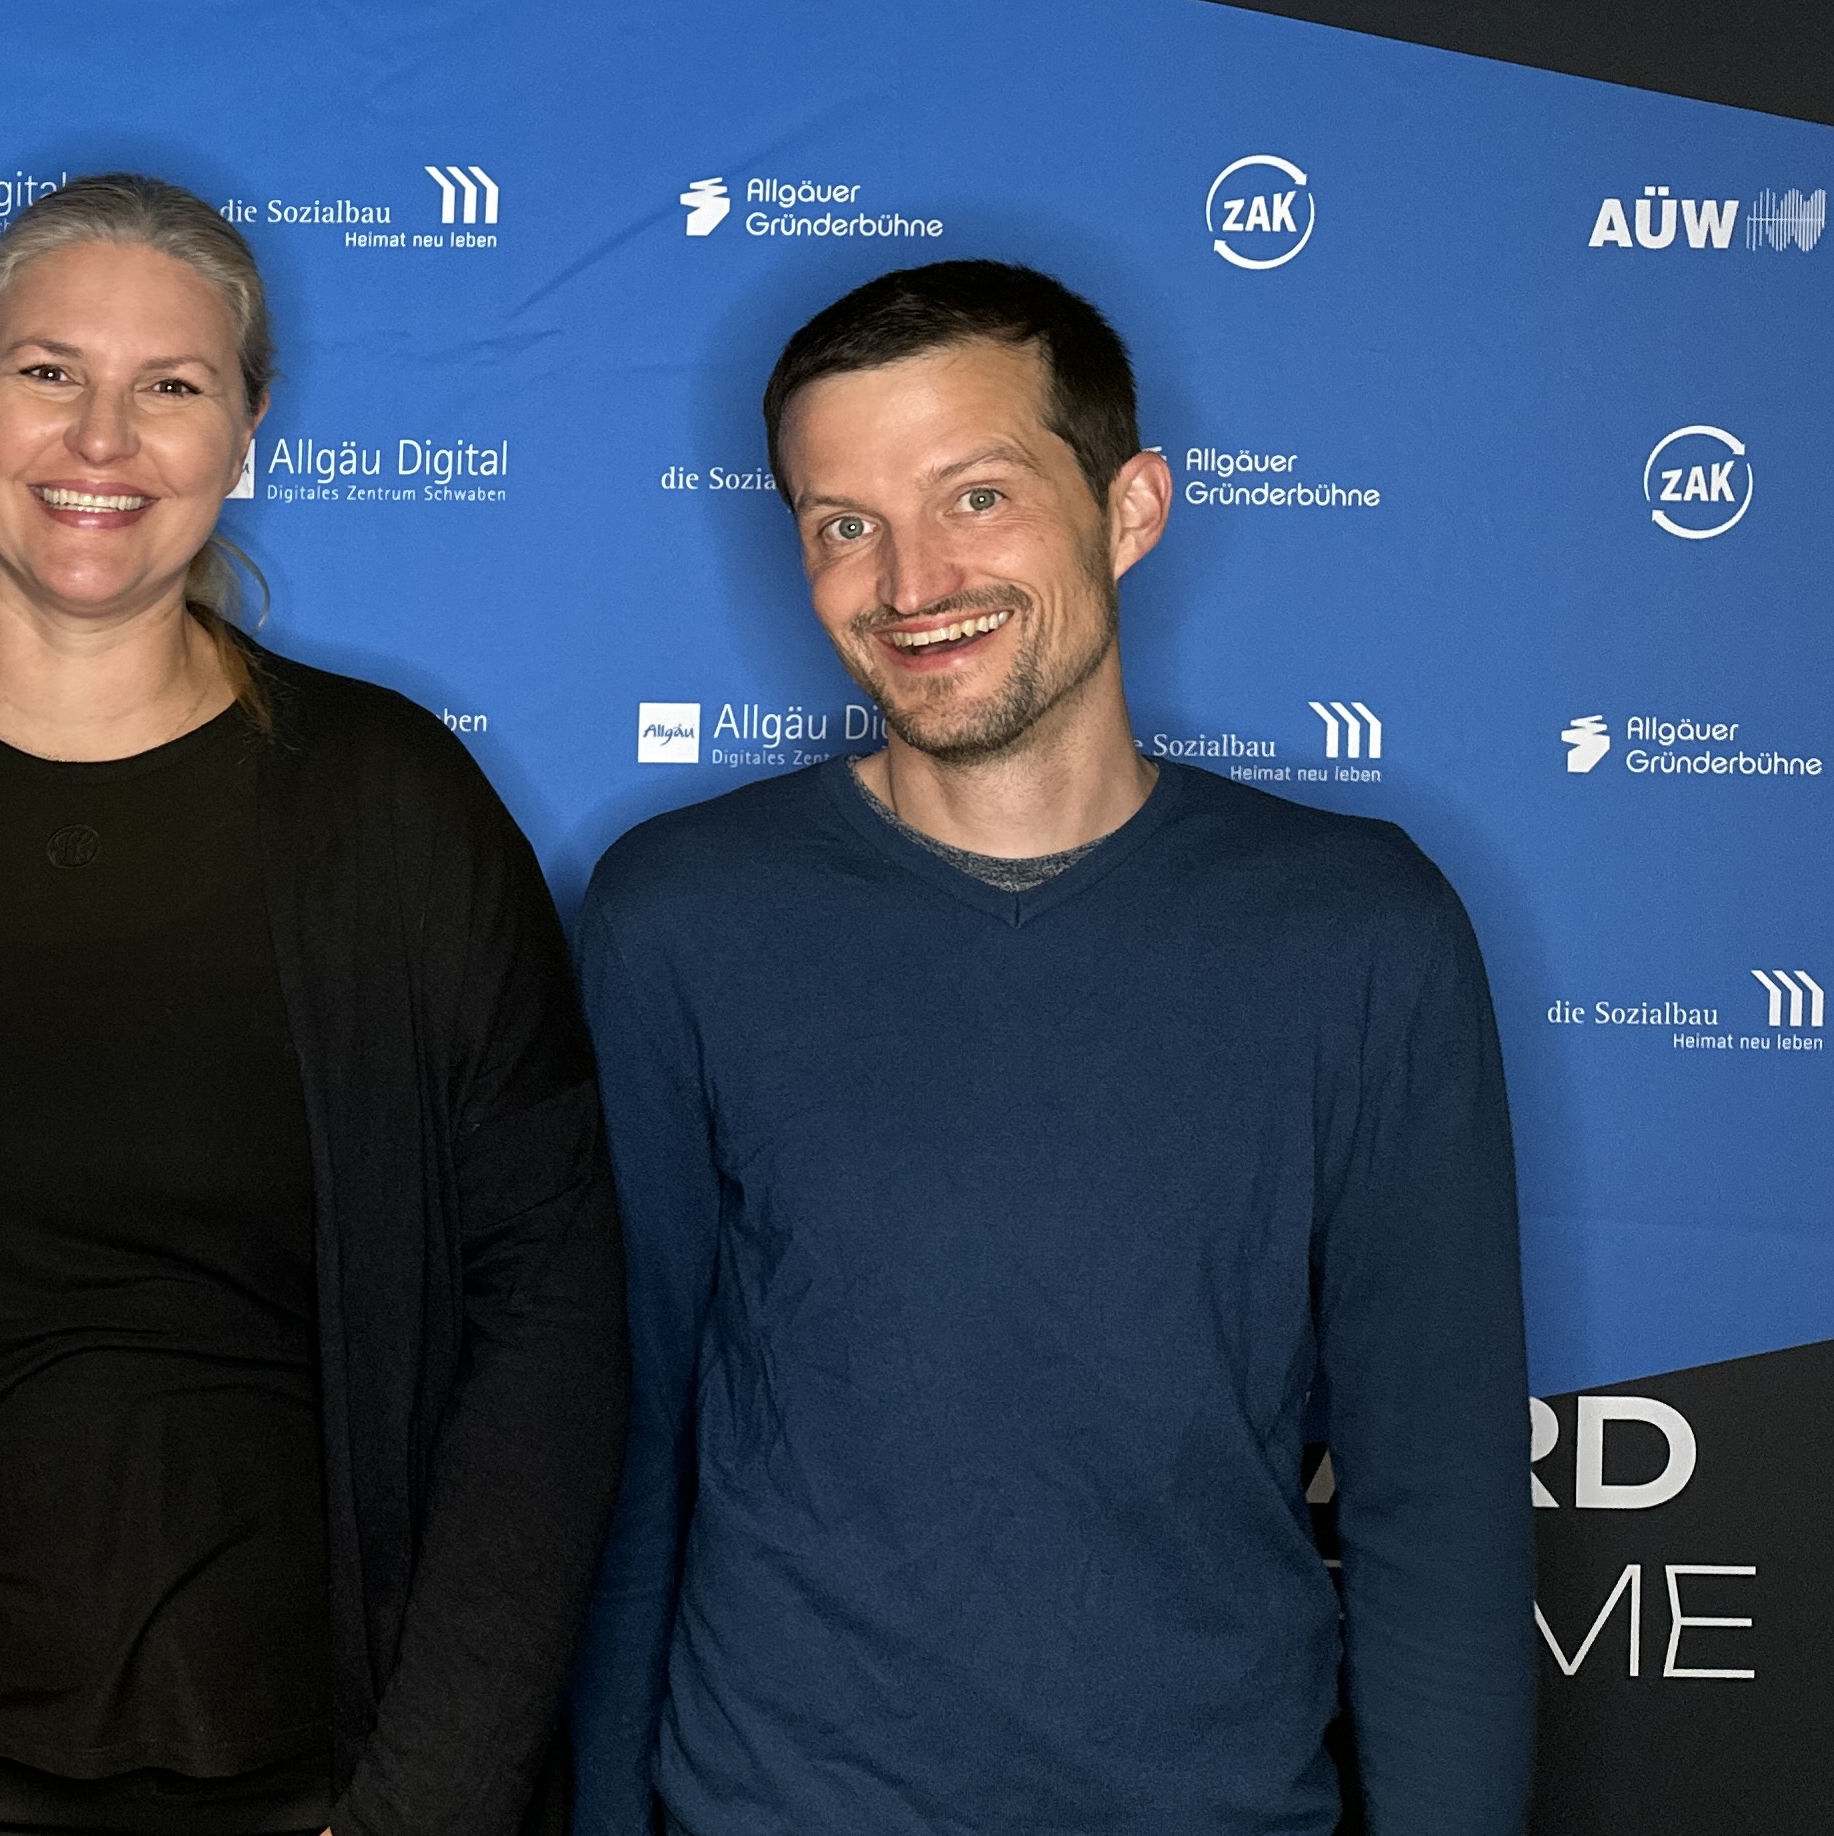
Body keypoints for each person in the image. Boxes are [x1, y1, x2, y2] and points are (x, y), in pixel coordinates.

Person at [0, 174, 626, 1836]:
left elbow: (553, 1318)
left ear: (246, 430)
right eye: (47, 373)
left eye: (170, 385)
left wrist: (427, 1802)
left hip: (343, 1785)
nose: (102, 437)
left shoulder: (395, 803)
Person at [566, 261, 1530, 1836]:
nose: (909, 580)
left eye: (977, 496)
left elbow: (1442, 1515)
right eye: (843, 525)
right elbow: (625, 1456)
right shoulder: (680, 915)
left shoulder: (1360, 933)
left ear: (1130, 509)